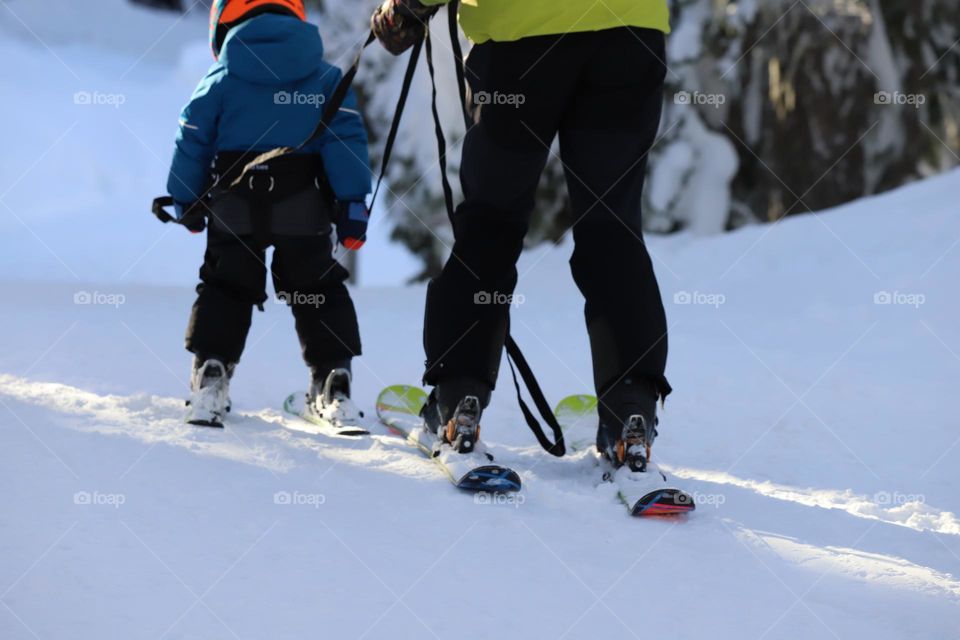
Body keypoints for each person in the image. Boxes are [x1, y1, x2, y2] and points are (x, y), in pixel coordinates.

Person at [372, 0, 672, 469]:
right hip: (630, 31)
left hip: (521, 34)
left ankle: (458, 402)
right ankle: (629, 413)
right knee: (611, 225)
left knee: (491, 222)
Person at [167, 0, 372, 427]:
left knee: (226, 286)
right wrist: (352, 206)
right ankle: (333, 381)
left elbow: (192, 136)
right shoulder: (325, 77)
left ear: (222, 23)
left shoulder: (220, 77)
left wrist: (187, 200)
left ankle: (212, 374)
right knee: (316, 290)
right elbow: (345, 136)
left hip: (234, 207)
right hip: (303, 208)